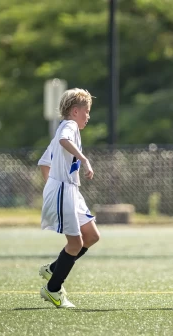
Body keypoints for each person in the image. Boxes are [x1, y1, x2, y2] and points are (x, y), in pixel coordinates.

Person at [38, 88, 100, 308]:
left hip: (70, 190)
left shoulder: (64, 129)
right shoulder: (69, 126)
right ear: (75, 111)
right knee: (75, 243)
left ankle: (53, 269)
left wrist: (51, 184)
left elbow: (44, 162)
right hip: (64, 189)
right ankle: (53, 289)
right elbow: (64, 140)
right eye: (87, 111)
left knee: (91, 235)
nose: (88, 116)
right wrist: (84, 160)